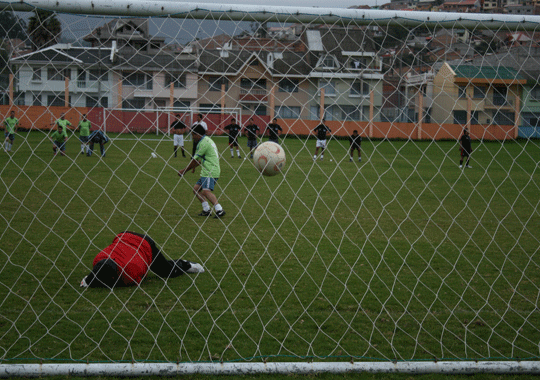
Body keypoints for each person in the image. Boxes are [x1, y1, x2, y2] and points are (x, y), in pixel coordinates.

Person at [80, 231, 204, 288]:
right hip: (125, 235)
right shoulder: (99, 259)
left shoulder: (130, 272)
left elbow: (143, 273)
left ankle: (186, 264)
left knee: (166, 271)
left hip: (145, 245)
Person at [178, 124, 225, 218]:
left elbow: (195, 160)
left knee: (206, 191)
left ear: (198, 134)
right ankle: (206, 210)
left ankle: (219, 209)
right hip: (208, 170)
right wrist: (195, 166)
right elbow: (201, 159)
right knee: (196, 189)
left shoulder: (204, 143)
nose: (192, 137)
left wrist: (184, 170)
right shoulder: (206, 140)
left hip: (210, 171)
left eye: (193, 135)